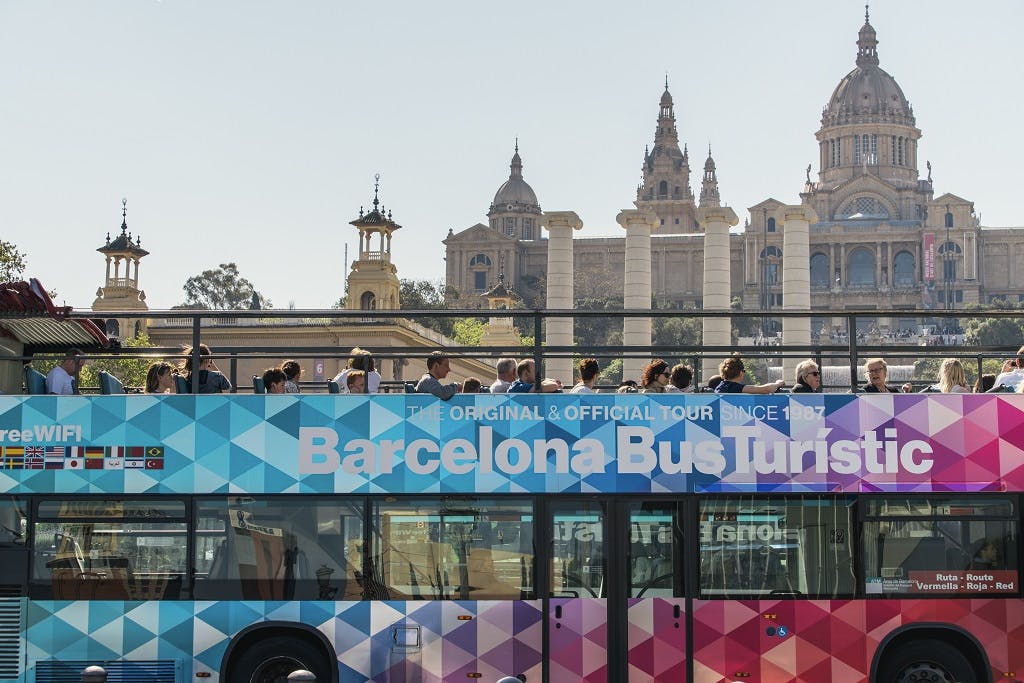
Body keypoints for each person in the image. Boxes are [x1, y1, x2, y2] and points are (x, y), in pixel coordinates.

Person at [715, 356, 785, 394]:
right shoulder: (735, 387)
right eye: (744, 371)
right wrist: (778, 383)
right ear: (740, 372)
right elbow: (766, 389)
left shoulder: (720, 386)